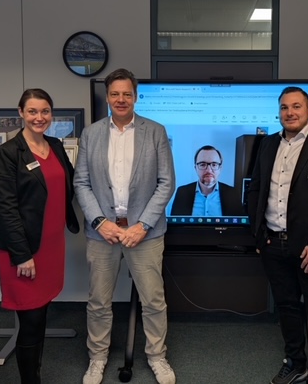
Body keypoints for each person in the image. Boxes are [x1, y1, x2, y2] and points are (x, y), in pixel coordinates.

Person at [74, 68, 176, 384]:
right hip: (102, 232)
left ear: (135, 96)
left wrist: (142, 225)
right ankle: (98, 357)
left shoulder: (155, 131)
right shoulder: (90, 134)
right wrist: (99, 221)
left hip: (144, 234)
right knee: (99, 301)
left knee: (153, 300)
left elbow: (166, 182)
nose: (121, 99)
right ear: (108, 96)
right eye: (115, 94)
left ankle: (157, 357)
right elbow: (81, 182)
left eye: (127, 94)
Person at [248, 86, 308, 384]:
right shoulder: (267, 145)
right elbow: (255, 190)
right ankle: (296, 364)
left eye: (296, 107)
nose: (290, 113)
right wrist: (258, 235)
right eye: (284, 108)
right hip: (272, 245)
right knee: (288, 308)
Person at [0, 89, 80, 384]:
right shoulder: (8, 153)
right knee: (30, 318)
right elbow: (6, 208)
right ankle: (31, 380)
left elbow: (72, 184)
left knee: (40, 314)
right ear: (21, 113)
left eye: (45, 112)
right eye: (32, 112)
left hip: (51, 244)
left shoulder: (54, 145)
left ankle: (34, 372)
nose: (39, 118)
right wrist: (22, 254)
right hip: (24, 247)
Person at [170, 145, 245, 216]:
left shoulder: (232, 194)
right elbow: (176, 227)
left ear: (220, 168)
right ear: (195, 168)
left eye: (214, 164)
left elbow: (238, 228)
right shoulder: (182, 193)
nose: (209, 170)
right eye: (202, 164)